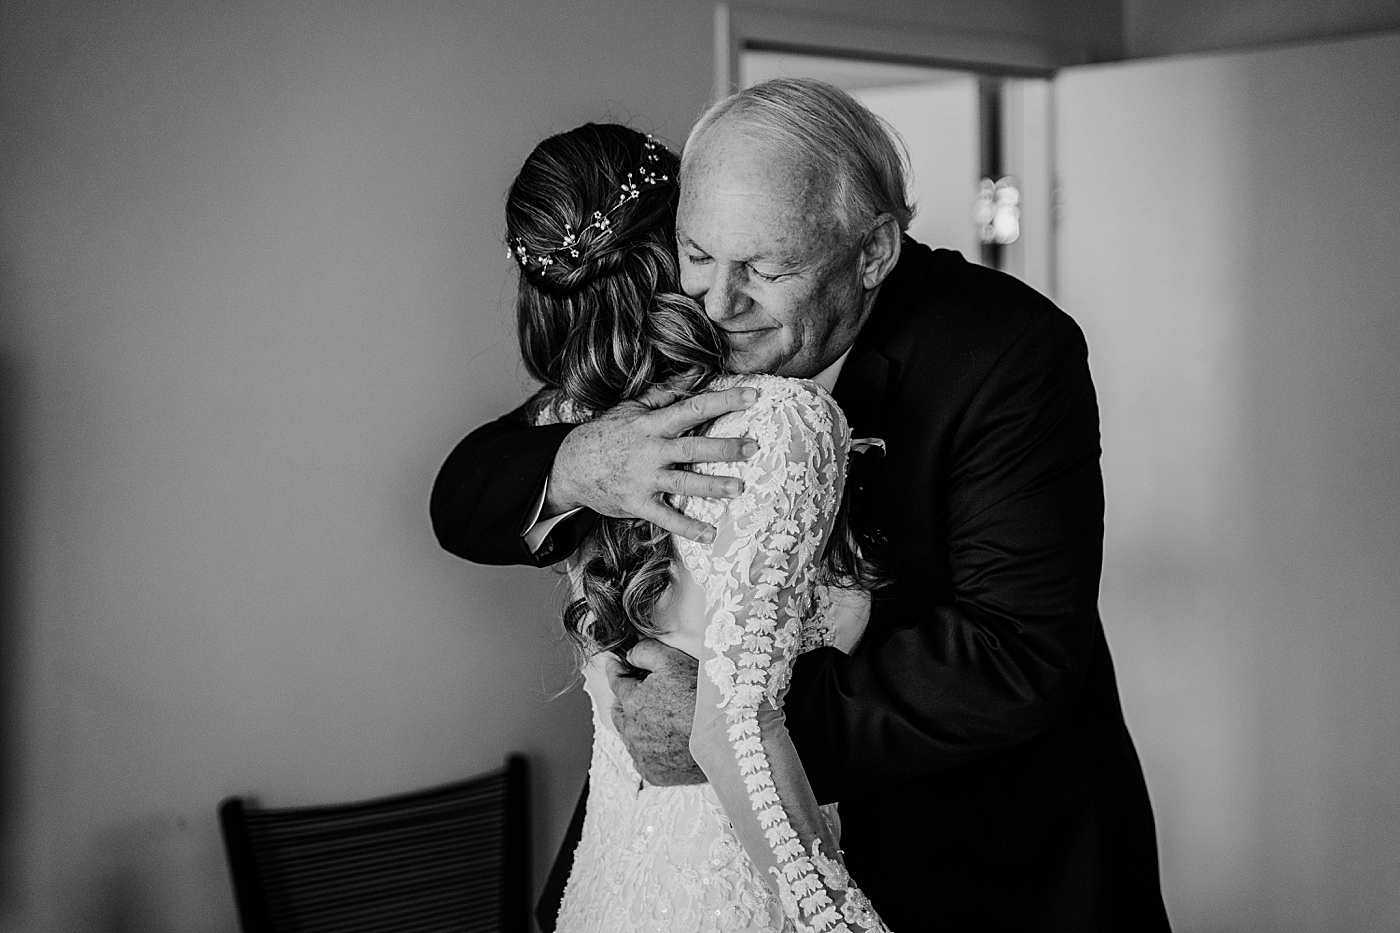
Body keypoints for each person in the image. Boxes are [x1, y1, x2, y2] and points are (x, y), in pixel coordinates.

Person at [433, 80, 1172, 931]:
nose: (718, 303)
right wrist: (581, 463)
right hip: (691, 864)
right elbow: (468, 492)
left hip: (975, 860)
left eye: (767, 269)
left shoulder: (1008, 353)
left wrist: (732, 727)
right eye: (697, 254)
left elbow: (1016, 653)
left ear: (873, 252)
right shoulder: (695, 321)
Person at [448, 121, 894, 931]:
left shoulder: (571, 412)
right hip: (734, 879)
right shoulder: (736, 424)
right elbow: (739, 728)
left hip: (615, 885)